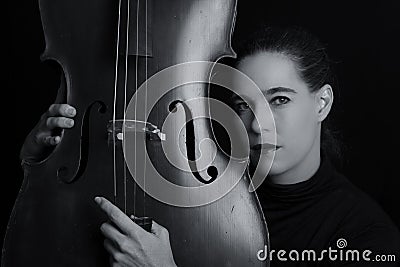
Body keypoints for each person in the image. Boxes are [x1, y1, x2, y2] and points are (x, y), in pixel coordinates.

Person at [19, 26, 400, 266]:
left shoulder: (367, 234)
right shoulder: (197, 192)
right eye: (243, 105)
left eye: (280, 100)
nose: (256, 124)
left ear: (323, 103)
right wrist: (39, 163)